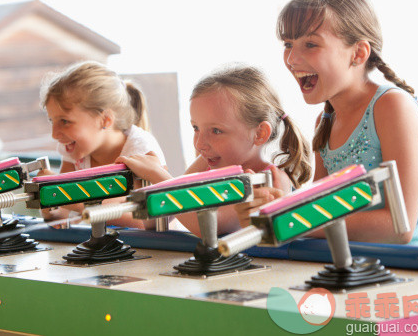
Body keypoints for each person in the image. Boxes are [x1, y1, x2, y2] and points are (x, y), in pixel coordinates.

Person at [238, 0, 418, 245]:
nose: (291, 59)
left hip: (410, 271)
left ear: (358, 53)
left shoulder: (392, 107)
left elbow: (400, 227)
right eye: (288, 44)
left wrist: (290, 218)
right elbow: (321, 208)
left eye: (310, 44)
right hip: (349, 264)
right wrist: (277, 204)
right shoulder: (325, 120)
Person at [117, 63, 312, 236]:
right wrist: (149, 183)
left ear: (259, 133)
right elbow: (157, 219)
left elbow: (207, 227)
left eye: (216, 131)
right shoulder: (210, 161)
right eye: (196, 128)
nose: (200, 144)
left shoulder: (270, 180)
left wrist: (158, 176)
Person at [38, 60, 166, 229]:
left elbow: (141, 223)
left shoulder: (140, 151)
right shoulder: (73, 148)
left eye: (65, 121)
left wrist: (67, 198)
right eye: (51, 120)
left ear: (105, 120)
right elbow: (62, 214)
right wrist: (49, 204)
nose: (55, 134)